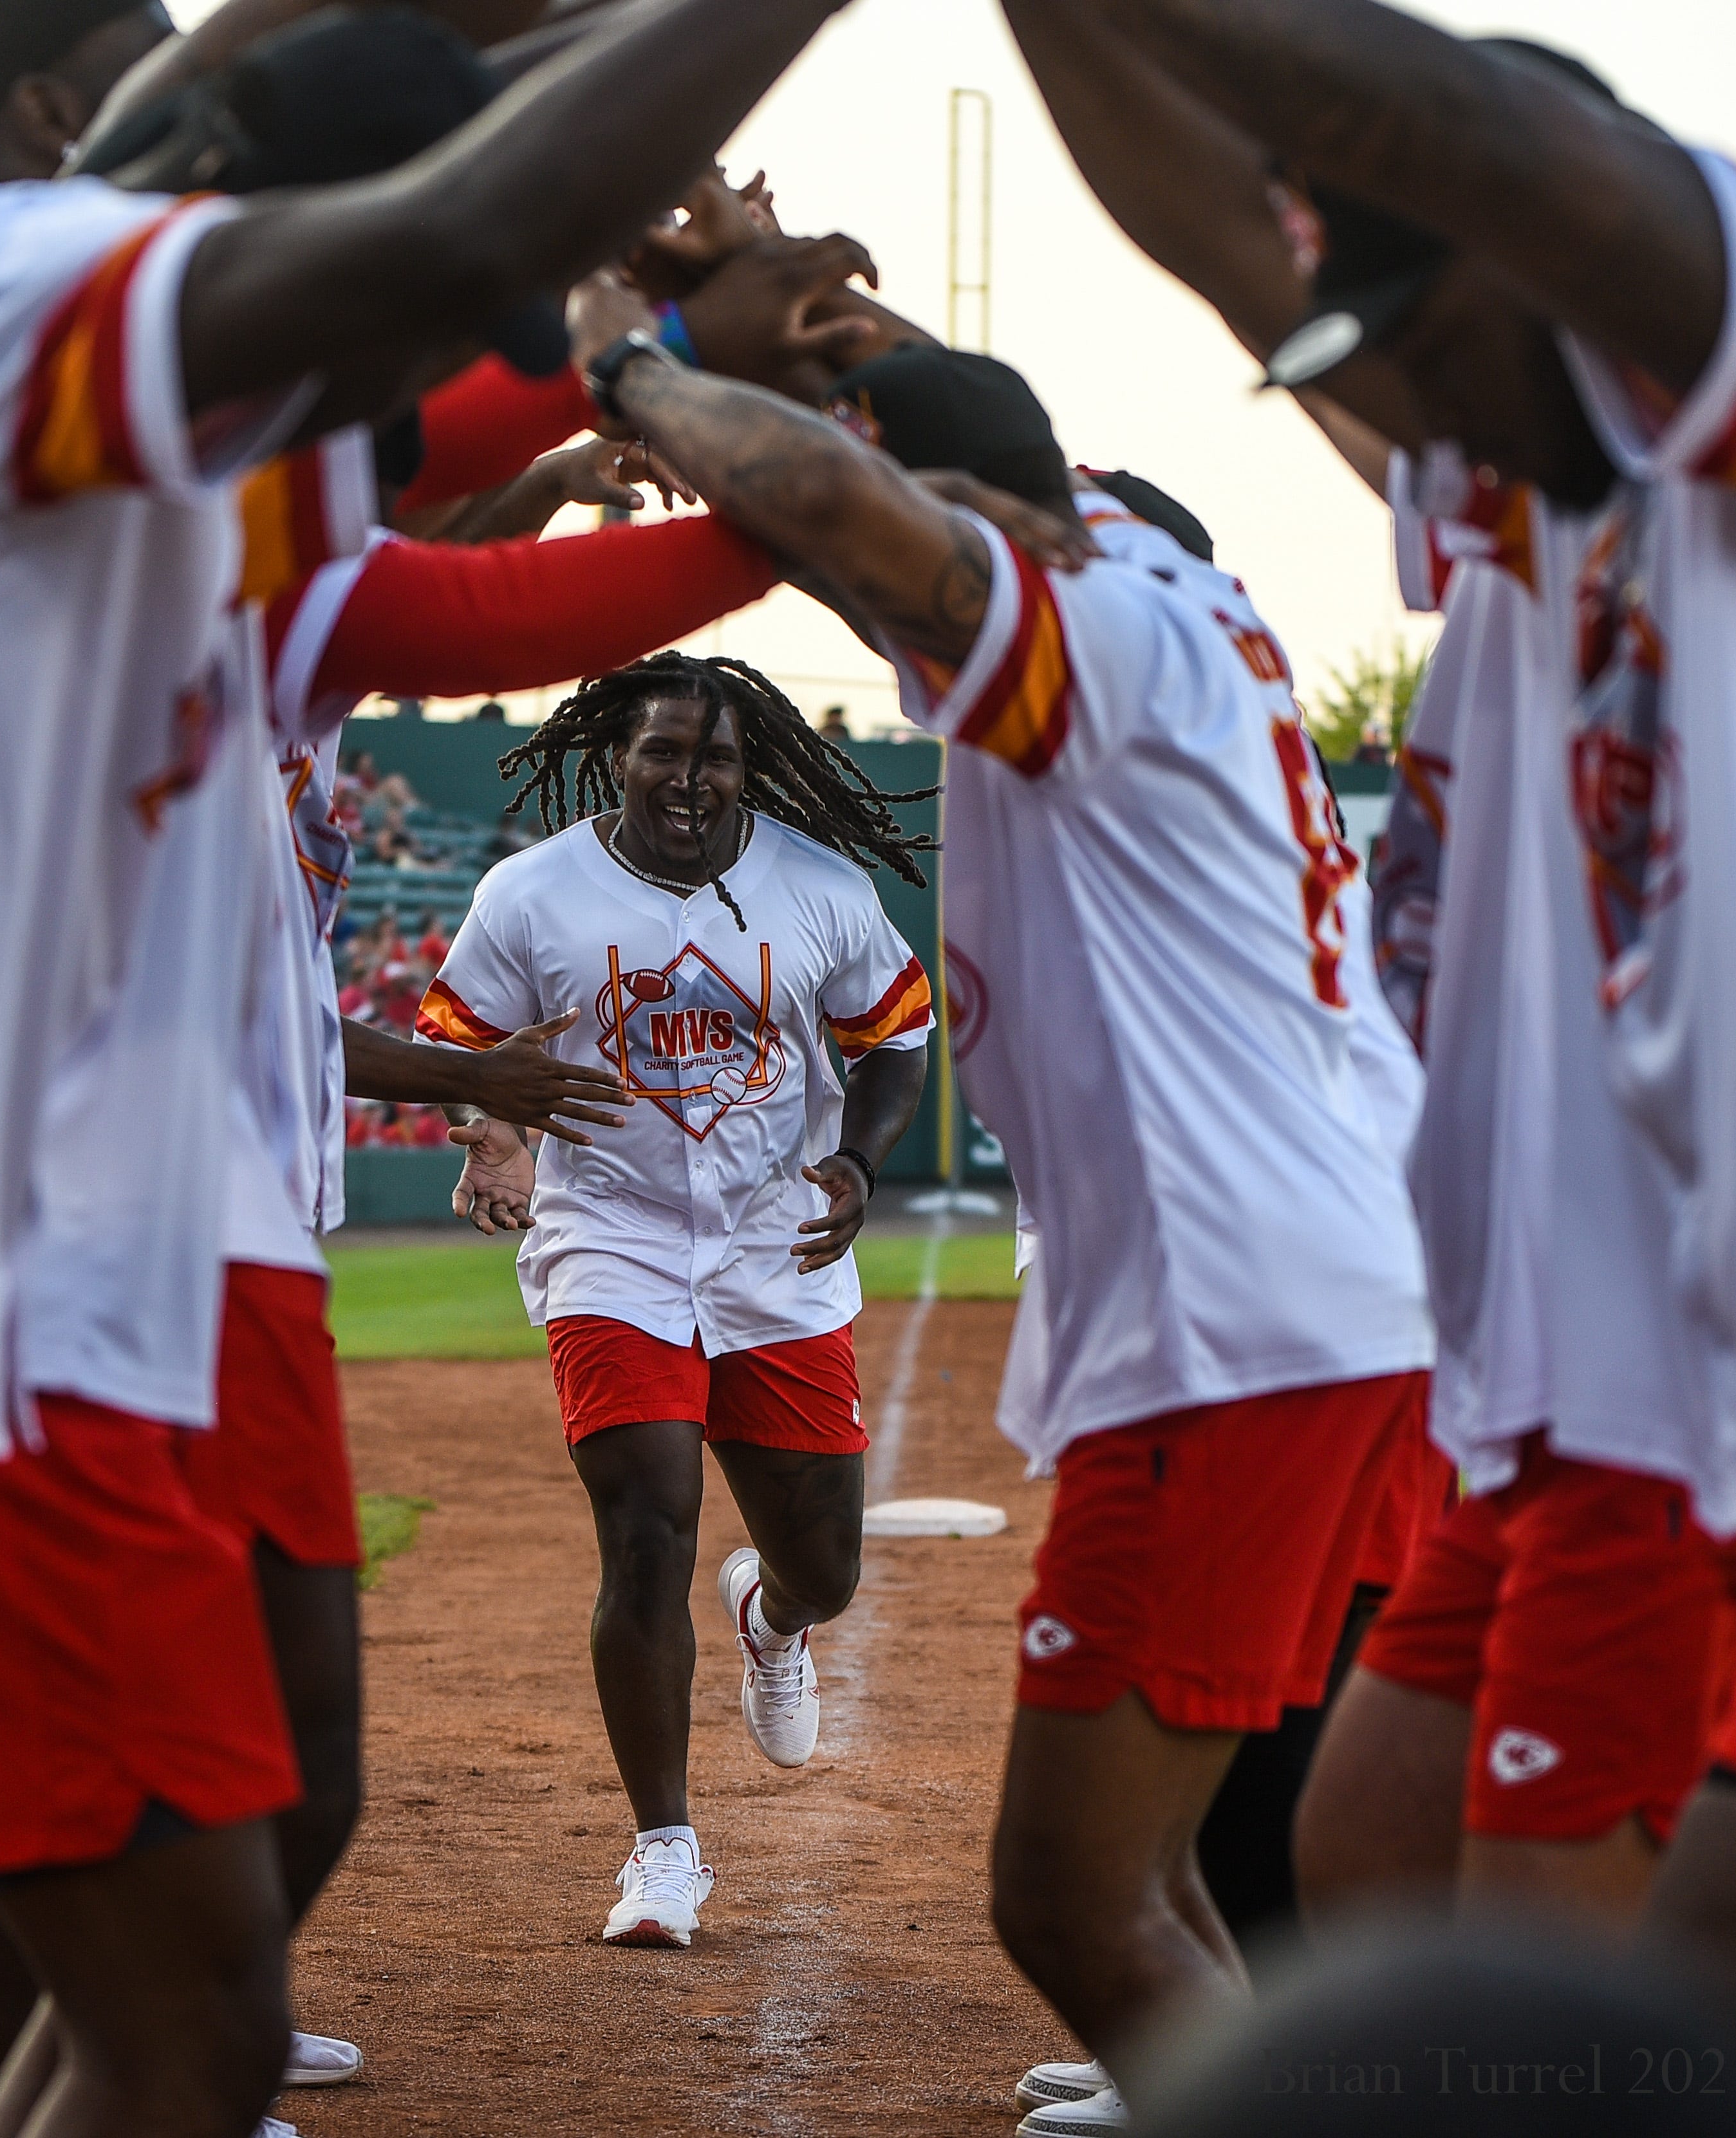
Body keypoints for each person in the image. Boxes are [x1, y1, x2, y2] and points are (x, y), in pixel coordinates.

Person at [0, 0, 863, 2124]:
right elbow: (455, 251)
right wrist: (655, 310)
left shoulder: (186, 473)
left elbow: (461, 539)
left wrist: (771, 452)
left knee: (185, 1998)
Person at [1000, 0, 1736, 2008]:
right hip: (1577, 1380)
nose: (1395, 397)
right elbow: (1220, 244)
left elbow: (1472, 137)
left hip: (1712, 1394)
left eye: (1415, 327)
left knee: (1629, 1991)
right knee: (1366, 1860)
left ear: (1542, 247)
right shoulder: (1522, 504)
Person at [588, 331, 1433, 2068]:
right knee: (1193, 1833)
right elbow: (866, 530)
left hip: (1235, 1321)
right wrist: (736, 341)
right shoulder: (1159, 585)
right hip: (1327, 1296)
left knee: (1074, 1892)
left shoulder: (1094, 630)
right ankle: (1242, 2074)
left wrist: (634, 362)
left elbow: (848, 512)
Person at [415, 651, 935, 1946]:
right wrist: (491, 1133)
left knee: (827, 1561)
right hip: (610, 1238)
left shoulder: (818, 888)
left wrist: (858, 1164)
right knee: (644, 1523)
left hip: (778, 1245)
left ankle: (774, 1609)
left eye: (712, 756)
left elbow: (896, 1039)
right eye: (662, 751)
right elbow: (454, 1039)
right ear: (616, 753)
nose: (688, 778)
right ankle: (663, 1848)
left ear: (744, 765)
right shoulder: (529, 894)